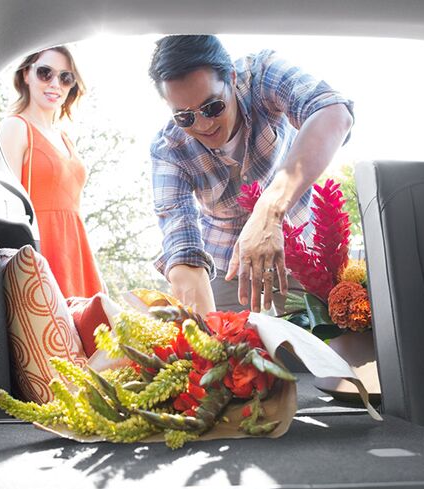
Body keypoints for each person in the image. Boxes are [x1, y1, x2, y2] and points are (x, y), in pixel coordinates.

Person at [149, 35, 353, 315]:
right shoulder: (168, 150)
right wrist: (207, 334)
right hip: (227, 271)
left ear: (232, 77)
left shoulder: (262, 75)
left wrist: (269, 211)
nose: (204, 124)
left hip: (301, 250)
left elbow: (333, 113)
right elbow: (181, 244)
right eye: (185, 117)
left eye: (212, 107)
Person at [0, 46, 104, 298]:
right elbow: (5, 206)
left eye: (65, 77)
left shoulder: (66, 138)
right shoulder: (15, 126)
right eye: (45, 73)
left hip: (77, 254)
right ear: (26, 74)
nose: (55, 84)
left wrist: (94, 270)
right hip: (41, 248)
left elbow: (74, 212)